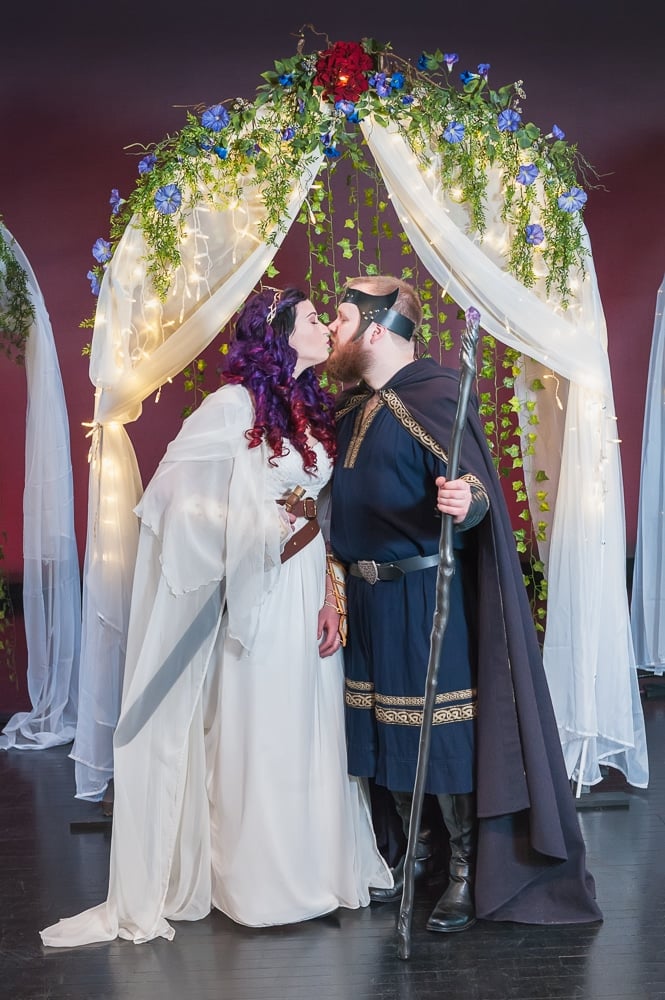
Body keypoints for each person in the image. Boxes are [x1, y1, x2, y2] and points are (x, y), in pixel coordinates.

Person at [40, 287, 392, 948]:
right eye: (315, 318)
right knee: (263, 726)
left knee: (312, 728)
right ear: (280, 332)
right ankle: (261, 885)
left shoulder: (309, 407)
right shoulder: (229, 407)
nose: (324, 326)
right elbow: (173, 502)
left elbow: (319, 512)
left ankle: (319, 872)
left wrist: (327, 592)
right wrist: (261, 527)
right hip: (256, 595)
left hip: (305, 588)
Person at [326, 275, 603, 933]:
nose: (331, 331)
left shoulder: (437, 393)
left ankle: (460, 871)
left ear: (376, 327)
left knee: (438, 737)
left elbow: (476, 490)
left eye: (339, 319)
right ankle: (413, 857)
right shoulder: (350, 409)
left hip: (426, 597)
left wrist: (466, 500)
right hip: (367, 600)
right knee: (383, 736)